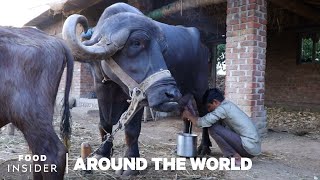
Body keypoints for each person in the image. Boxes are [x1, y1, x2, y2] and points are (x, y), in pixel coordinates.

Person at [182, 88, 261, 162]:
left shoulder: (222, 109)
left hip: (248, 148)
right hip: (252, 147)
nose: (209, 110)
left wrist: (189, 116)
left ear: (215, 102)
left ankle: (234, 157)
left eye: (209, 107)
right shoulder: (228, 105)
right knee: (215, 124)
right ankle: (234, 155)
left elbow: (202, 123)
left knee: (213, 128)